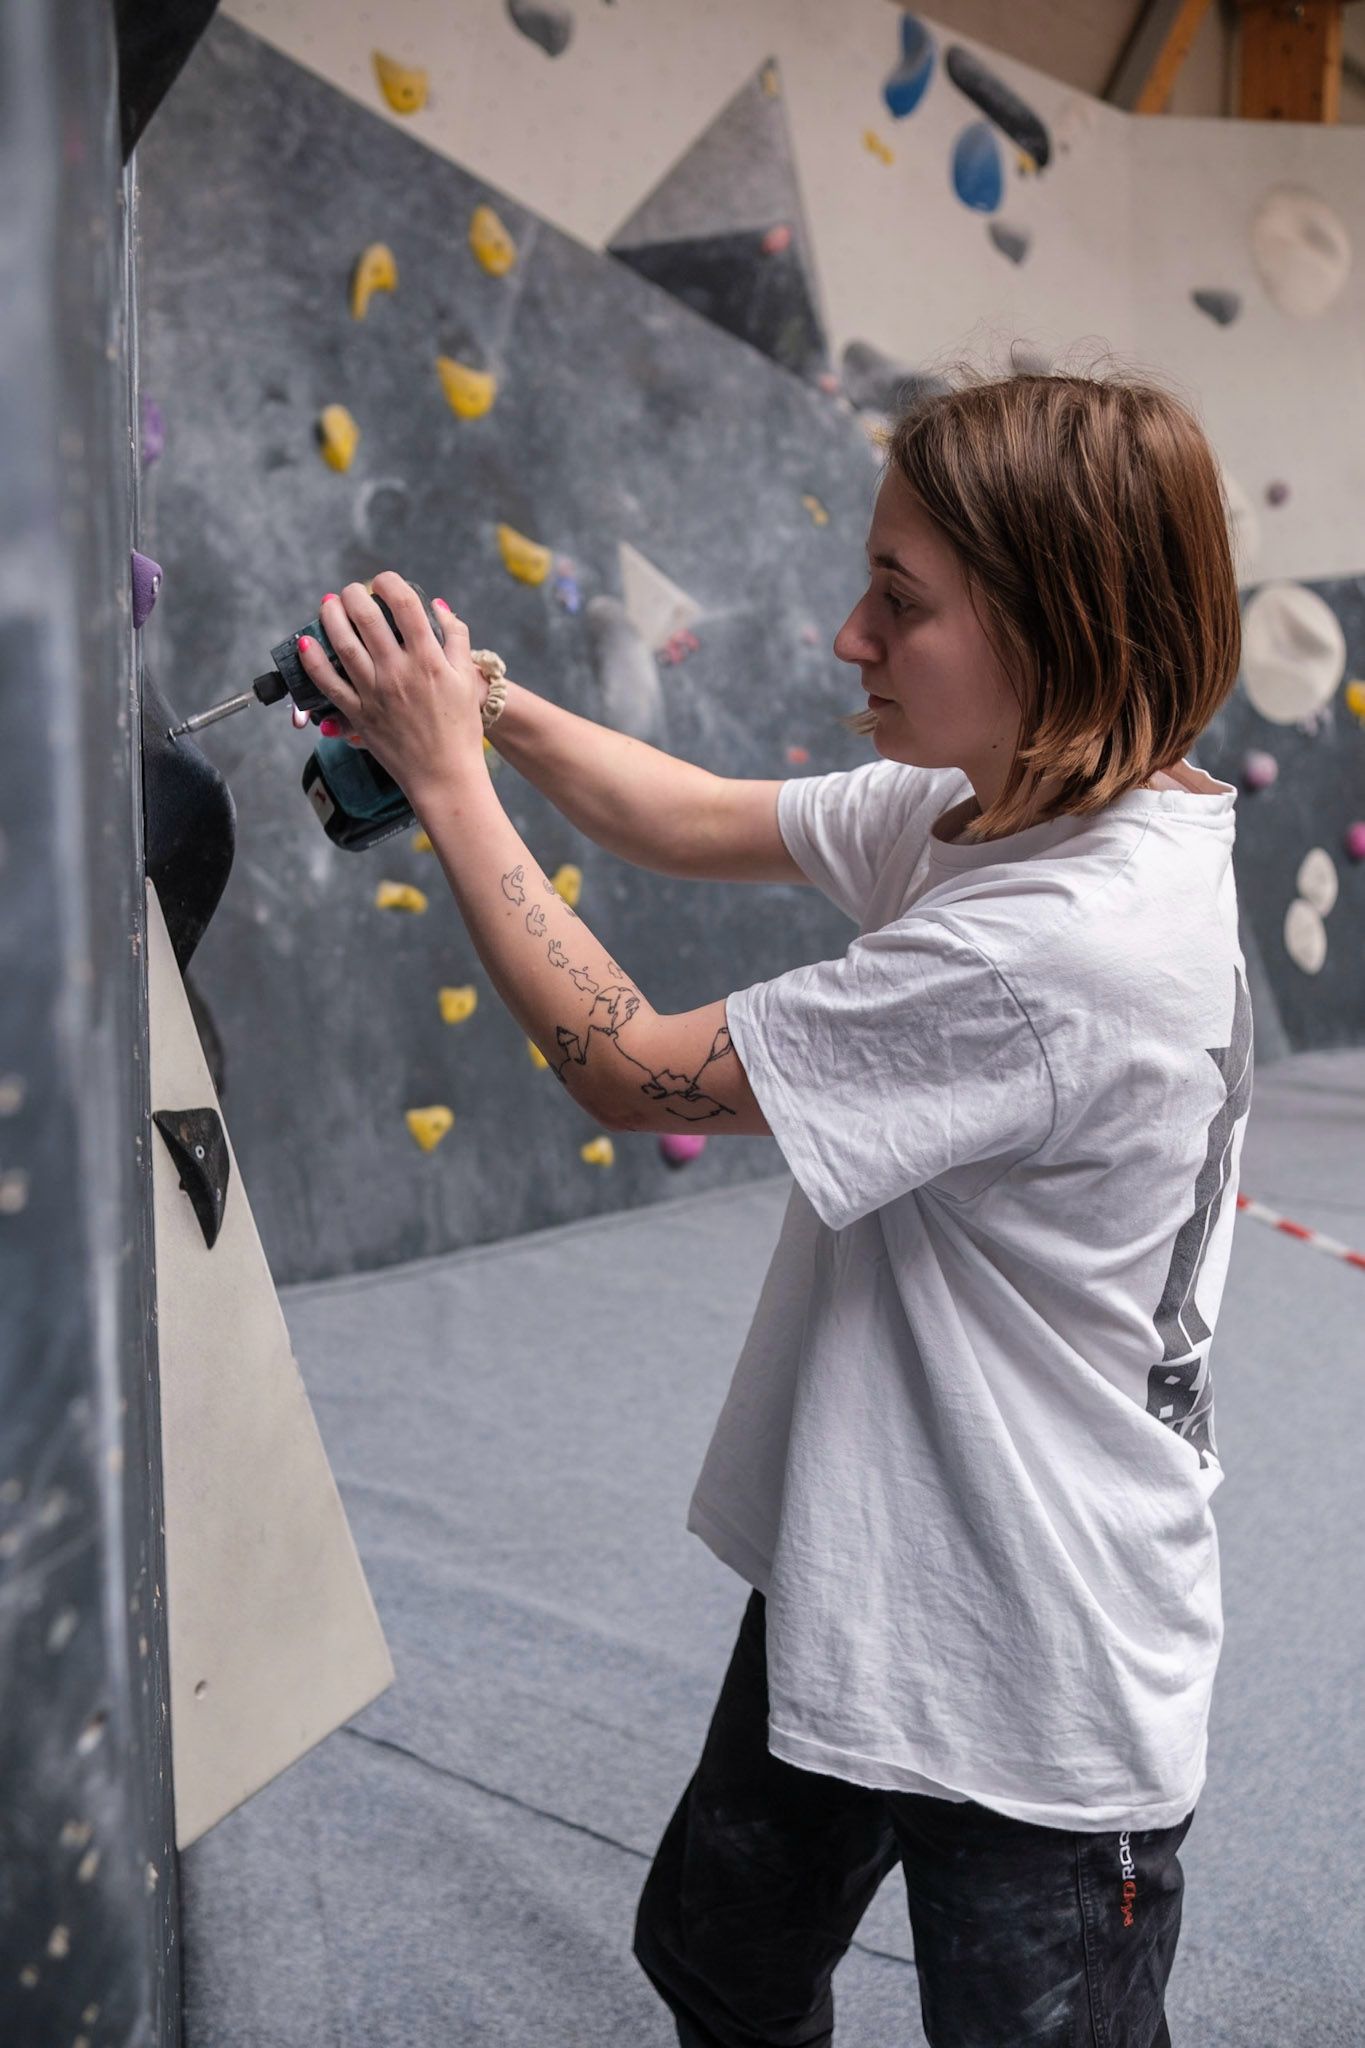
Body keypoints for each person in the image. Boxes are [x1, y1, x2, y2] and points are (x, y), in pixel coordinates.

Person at [294, 366, 1250, 2048]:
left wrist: (447, 786)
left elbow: (631, 1069)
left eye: (901, 602)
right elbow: (681, 817)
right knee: (718, 1958)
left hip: (1037, 1646)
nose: (847, 637)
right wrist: (482, 706)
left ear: (1062, 630)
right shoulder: (1009, 802)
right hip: (882, 1561)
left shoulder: (1060, 945)